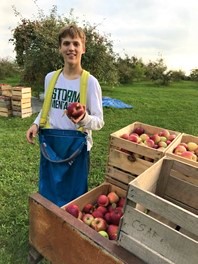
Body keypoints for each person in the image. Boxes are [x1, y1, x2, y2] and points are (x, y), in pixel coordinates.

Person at [26, 24, 104, 205]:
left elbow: (99, 122)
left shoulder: (90, 83)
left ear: (83, 48)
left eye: (76, 44)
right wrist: (36, 124)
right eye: (66, 43)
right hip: (52, 145)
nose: (71, 48)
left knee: (74, 198)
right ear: (60, 48)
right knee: (49, 192)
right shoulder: (50, 78)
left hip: (76, 148)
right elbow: (48, 108)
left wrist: (83, 118)